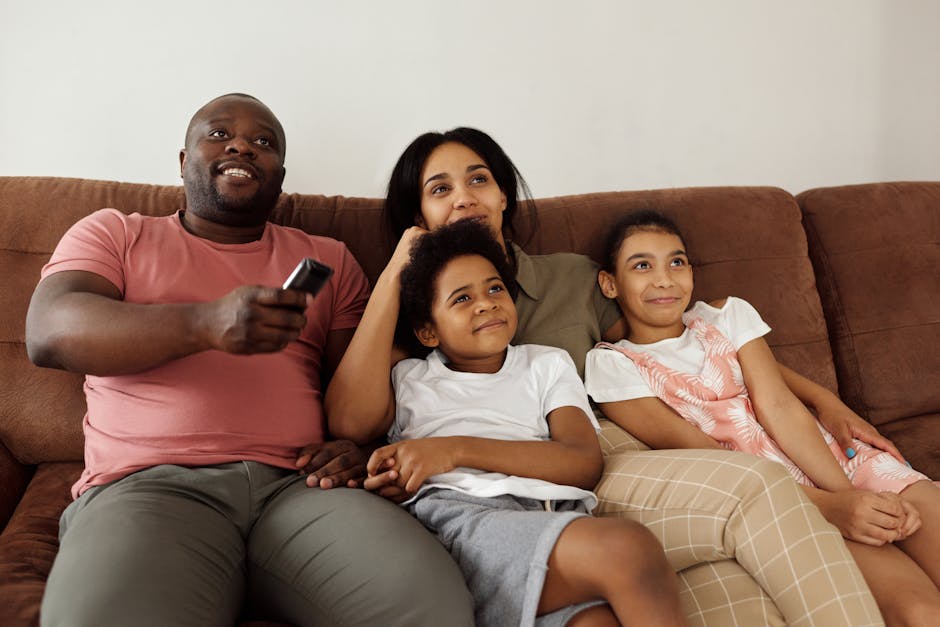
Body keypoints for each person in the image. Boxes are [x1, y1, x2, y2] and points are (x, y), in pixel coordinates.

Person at [326, 126, 885, 625]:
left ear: (503, 195)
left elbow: (684, 331)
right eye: (440, 188)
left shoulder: (572, 277)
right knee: (734, 553)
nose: (465, 196)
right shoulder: (417, 321)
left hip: (607, 443)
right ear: (418, 216)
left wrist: (819, 397)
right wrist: (401, 267)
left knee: (745, 551)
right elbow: (352, 420)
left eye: (478, 178)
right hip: (508, 493)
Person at [25, 93, 473, 627]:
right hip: (149, 488)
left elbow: (358, 391)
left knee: (430, 608)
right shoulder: (116, 233)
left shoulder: (326, 259)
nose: (242, 144)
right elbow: (49, 331)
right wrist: (205, 324)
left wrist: (360, 448)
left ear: (279, 179)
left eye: (264, 143)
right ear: (182, 161)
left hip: (303, 489)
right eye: (218, 134)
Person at [584, 209, 940, 626]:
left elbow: (781, 407)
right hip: (783, 504)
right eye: (642, 265)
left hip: (838, 463)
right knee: (921, 612)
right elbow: (708, 461)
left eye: (676, 262)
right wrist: (833, 507)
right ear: (610, 283)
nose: (664, 279)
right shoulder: (613, 366)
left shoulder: (725, 316)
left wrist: (853, 497)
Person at [362, 218, 688, 626]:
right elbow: (350, 424)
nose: (486, 303)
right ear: (428, 331)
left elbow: (583, 463)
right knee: (628, 549)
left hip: (553, 514)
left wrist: (453, 449)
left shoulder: (547, 363)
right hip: (463, 521)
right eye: (462, 299)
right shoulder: (409, 376)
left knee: (596, 622)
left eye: (495, 288)